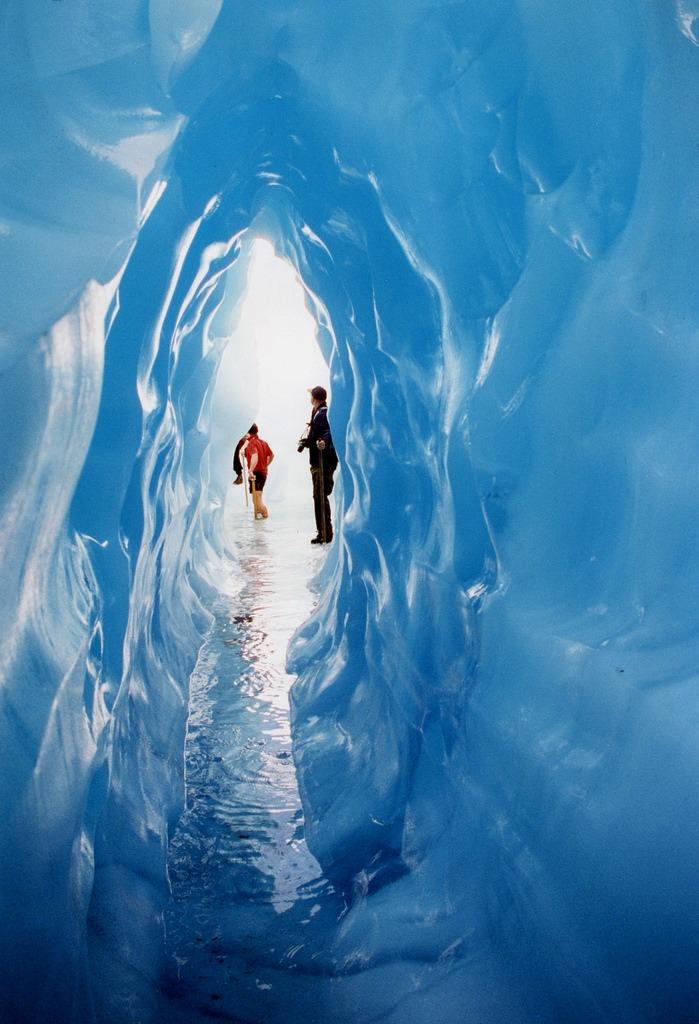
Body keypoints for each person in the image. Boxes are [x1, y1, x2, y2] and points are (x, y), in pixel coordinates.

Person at [299, 386, 338, 544]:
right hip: (319, 459)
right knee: (319, 496)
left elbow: (329, 431)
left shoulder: (323, 414)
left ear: (315, 397)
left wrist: (324, 442)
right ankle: (323, 531)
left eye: (311, 395)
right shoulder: (318, 413)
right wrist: (308, 442)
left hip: (324, 460)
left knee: (320, 495)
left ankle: (325, 533)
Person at [243, 423, 274, 520]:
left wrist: (250, 471)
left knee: (257, 501)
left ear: (248, 433)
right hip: (262, 473)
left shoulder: (251, 443)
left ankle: (265, 520)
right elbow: (272, 455)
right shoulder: (263, 442)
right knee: (256, 499)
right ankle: (260, 526)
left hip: (256, 473)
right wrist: (265, 465)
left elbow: (255, 456)